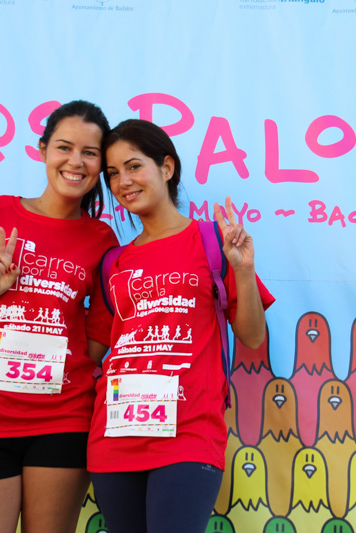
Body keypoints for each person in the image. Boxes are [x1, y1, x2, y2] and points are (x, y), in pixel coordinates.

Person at [0, 100, 117, 533]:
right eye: (64, 147)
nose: (76, 162)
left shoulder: (101, 239)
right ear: (42, 150)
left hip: (63, 418)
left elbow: (98, 332)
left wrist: (63, 369)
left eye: (89, 153)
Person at [85, 119, 275, 533]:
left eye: (134, 166)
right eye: (113, 174)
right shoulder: (114, 262)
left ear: (166, 167)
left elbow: (253, 336)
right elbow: (92, 348)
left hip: (188, 435)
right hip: (114, 435)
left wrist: (243, 271)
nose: (123, 182)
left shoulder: (211, 241)